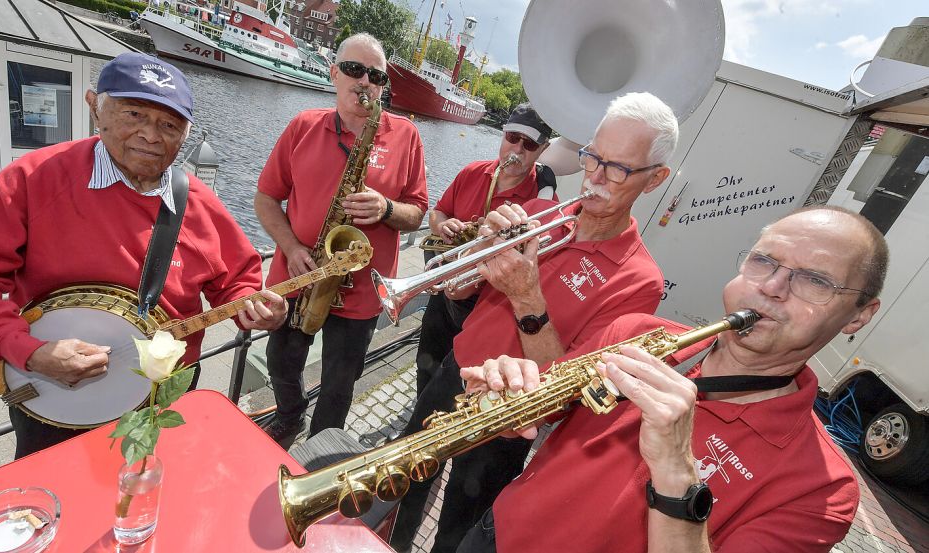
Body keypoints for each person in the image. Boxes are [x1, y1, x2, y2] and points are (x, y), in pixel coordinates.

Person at [456, 205, 885, 553]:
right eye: (764, 261)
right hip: (496, 536)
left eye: (814, 280)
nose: (772, 287)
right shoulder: (637, 332)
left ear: (860, 316)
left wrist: (677, 472)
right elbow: (538, 412)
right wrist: (503, 392)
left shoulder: (823, 490)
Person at [0, 52, 287, 458]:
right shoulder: (34, 179)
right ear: (95, 106)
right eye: (134, 114)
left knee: (148, 494)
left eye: (168, 125)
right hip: (55, 398)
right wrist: (27, 349)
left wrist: (252, 305)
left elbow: (238, 277)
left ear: (185, 135)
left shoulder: (199, 203)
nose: (150, 135)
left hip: (163, 396)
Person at [390, 92, 678, 553]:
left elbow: (568, 393)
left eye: (617, 169)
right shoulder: (543, 215)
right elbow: (463, 292)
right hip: (457, 369)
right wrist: (474, 254)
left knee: (455, 529)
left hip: (509, 418)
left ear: (654, 180)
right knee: (403, 483)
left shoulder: (640, 281)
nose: (596, 178)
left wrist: (526, 297)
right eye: (592, 158)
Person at [255, 32, 428, 447]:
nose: (364, 81)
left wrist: (386, 209)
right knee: (281, 360)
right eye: (354, 69)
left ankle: (318, 451)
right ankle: (289, 413)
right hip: (300, 273)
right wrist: (293, 248)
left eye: (376, 76)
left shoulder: (406, 136)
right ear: (333, 74)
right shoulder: (302, 126)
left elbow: (418, 210)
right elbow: (265, 198)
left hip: (361, 290)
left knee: (339, 381)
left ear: (383, 86)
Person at [416, 103, 556, 396]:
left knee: (460, 374)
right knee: (426, 360)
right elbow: (435, 214)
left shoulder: (541, 201)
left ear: (542, 149)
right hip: (447, 286)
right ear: (503, 135)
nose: (517, 149)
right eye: (513, 137)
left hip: (486, 303)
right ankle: (420, 408)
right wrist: (444, 226)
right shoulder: (472, 172)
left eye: (529, 144)